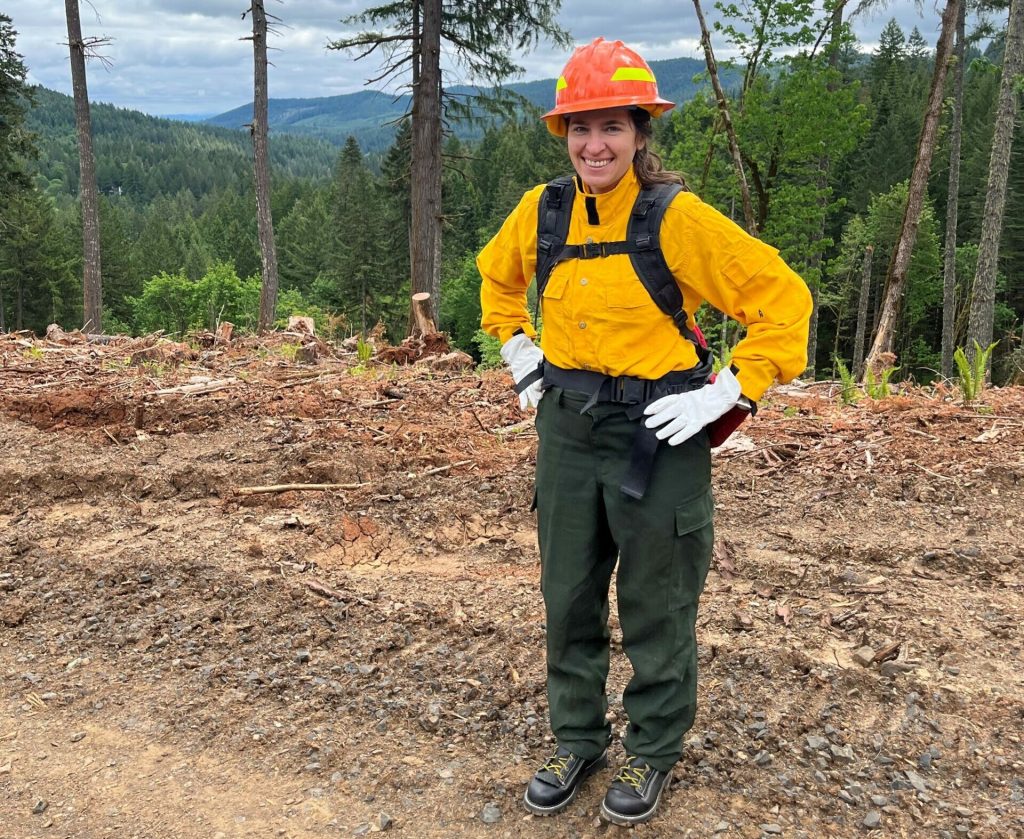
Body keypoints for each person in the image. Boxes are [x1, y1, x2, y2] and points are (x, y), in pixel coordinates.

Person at [477, 37, 812, 827]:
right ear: (565, 133)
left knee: (658, 599)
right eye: (580, 128)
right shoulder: (544, 209)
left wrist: (730, 390)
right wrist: (518, 348)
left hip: (660, 431)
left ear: (640, 132)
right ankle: (578, 737)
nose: (595, 144)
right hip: (565, 425)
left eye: (612, 127)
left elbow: (784, 300)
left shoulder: (675, 218)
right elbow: (496, 277)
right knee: (569, 593)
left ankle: (654, 747)